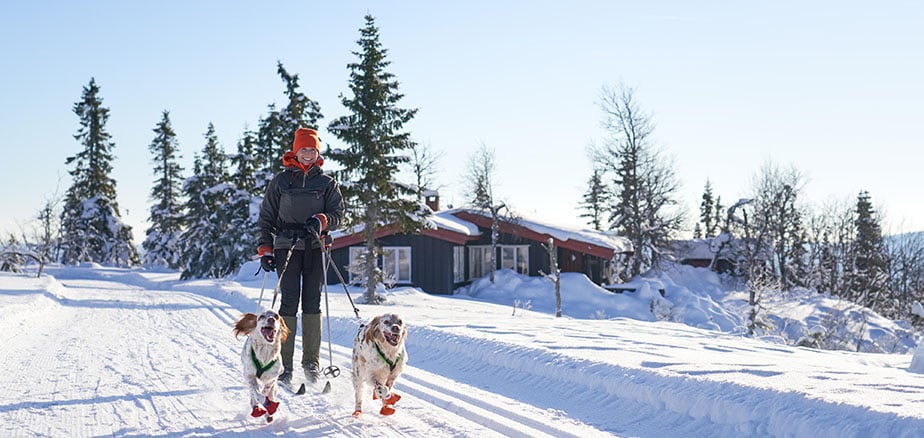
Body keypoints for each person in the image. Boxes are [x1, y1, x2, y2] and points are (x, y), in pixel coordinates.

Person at [256, 127, 344, 385]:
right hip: (286, 246)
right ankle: (285, 367)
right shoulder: (281, 182)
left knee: (313, 302)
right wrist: (266, 248)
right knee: (289, 302)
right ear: (295, 151)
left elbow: (339, 216)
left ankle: (311, 365)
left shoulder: (327, 183)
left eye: (312, 149)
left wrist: (322, 220)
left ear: (318, 152)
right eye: (303, 149)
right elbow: (267, 218)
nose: (307, 153)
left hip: (316, 247)